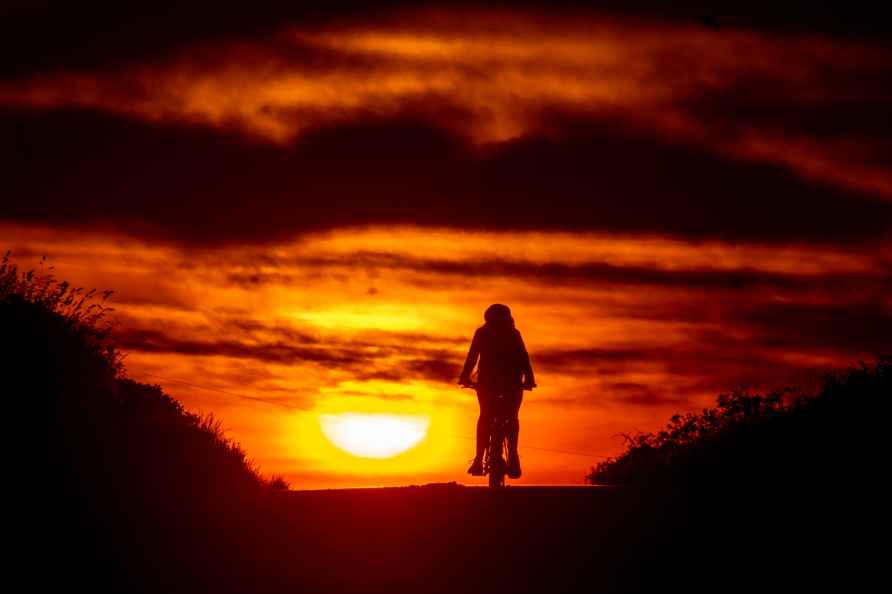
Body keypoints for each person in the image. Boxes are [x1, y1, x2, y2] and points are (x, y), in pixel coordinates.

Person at [458, 303, 535, 479]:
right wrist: (529, 380)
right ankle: (513, 458)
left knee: (485, 416)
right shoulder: (513, 333)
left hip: (489, 383)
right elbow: (524, 358)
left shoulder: (482, 333)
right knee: (511, 417)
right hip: (511, 383)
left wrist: (465, 377)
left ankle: (479, 460)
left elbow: (472, 357)